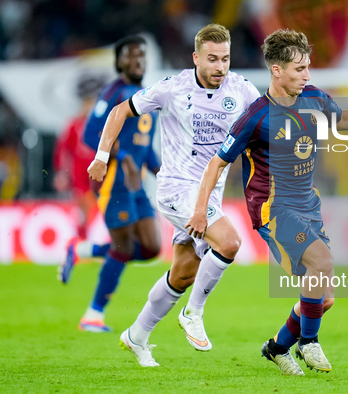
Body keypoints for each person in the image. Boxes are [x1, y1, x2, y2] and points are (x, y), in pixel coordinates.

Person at [186, 29, 348, 375]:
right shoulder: (255, 116)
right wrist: (199, 210)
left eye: (307, 67)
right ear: (276, 70)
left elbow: (340, 118)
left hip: (308, 205)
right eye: (299, 69)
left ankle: (277, 346)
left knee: (322, 299)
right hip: (273, 209)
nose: (307, 75)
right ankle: (309, 343)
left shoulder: (313, 98)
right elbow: (217, 163)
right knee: (322, 262)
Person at [87, 24, 261, 366]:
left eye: (225, 59)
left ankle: (136, 336)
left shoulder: (241, 89)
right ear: (196, 58)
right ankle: (193, 313)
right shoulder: (172, 88)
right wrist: (101, 156)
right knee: (229, 242)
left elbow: (267, 124)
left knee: (183, 273)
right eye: (212, 59)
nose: (220, 67)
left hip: (209, 196)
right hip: (176, 189)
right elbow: (120, 111)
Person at [71, 35, 163, 333]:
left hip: (136, 186)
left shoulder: (146, 97)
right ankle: (92, 315)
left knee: (151, 248)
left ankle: (85, 250)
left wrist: (163, 171)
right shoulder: (113, 94)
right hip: (114, 183)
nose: (138, 61)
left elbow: (144, 145)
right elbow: (90, 136)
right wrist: (121, 157)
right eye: (131, 56)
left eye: (142, 56)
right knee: (123, 248)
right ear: (119, 61)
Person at [54, 73, 107, 283]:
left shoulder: (102, 125)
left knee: (106, 210)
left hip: (101, 175)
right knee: (84, 211)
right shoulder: (74, 125)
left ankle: (98, 248)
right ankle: (81, 247)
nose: (88, 106)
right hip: (81, 176)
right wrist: (60, 173)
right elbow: (62, 151)